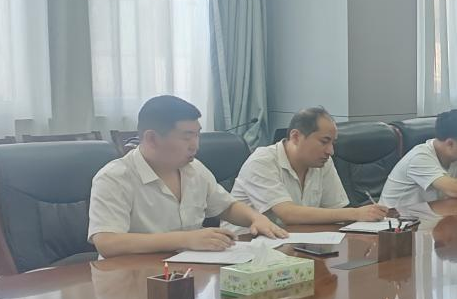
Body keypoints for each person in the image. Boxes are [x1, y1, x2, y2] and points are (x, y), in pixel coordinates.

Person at [88, 95, 288, 257]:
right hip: (131, 278)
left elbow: (227, 207)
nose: (195, 145)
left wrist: (256, 218)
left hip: (189, 272)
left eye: (197, 135)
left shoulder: (194, 169)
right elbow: (107, 242)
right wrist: (185, 239)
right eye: (186, 137)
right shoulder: (114, 177)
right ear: (152, 138)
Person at [231, 106, 389, 224]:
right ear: (296, 137)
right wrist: (355, 213)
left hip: (295, 243)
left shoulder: (322, 162)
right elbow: (288, 214)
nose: (331, 151)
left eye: (332, 143)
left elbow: (335, 210)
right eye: (324, 142)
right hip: (246, 247)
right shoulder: (262, 161)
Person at [380, 109, 457, 210]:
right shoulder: (420, 158)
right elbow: (456, 190)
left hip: (428, 215)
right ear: (450, 144)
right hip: (393, 221)